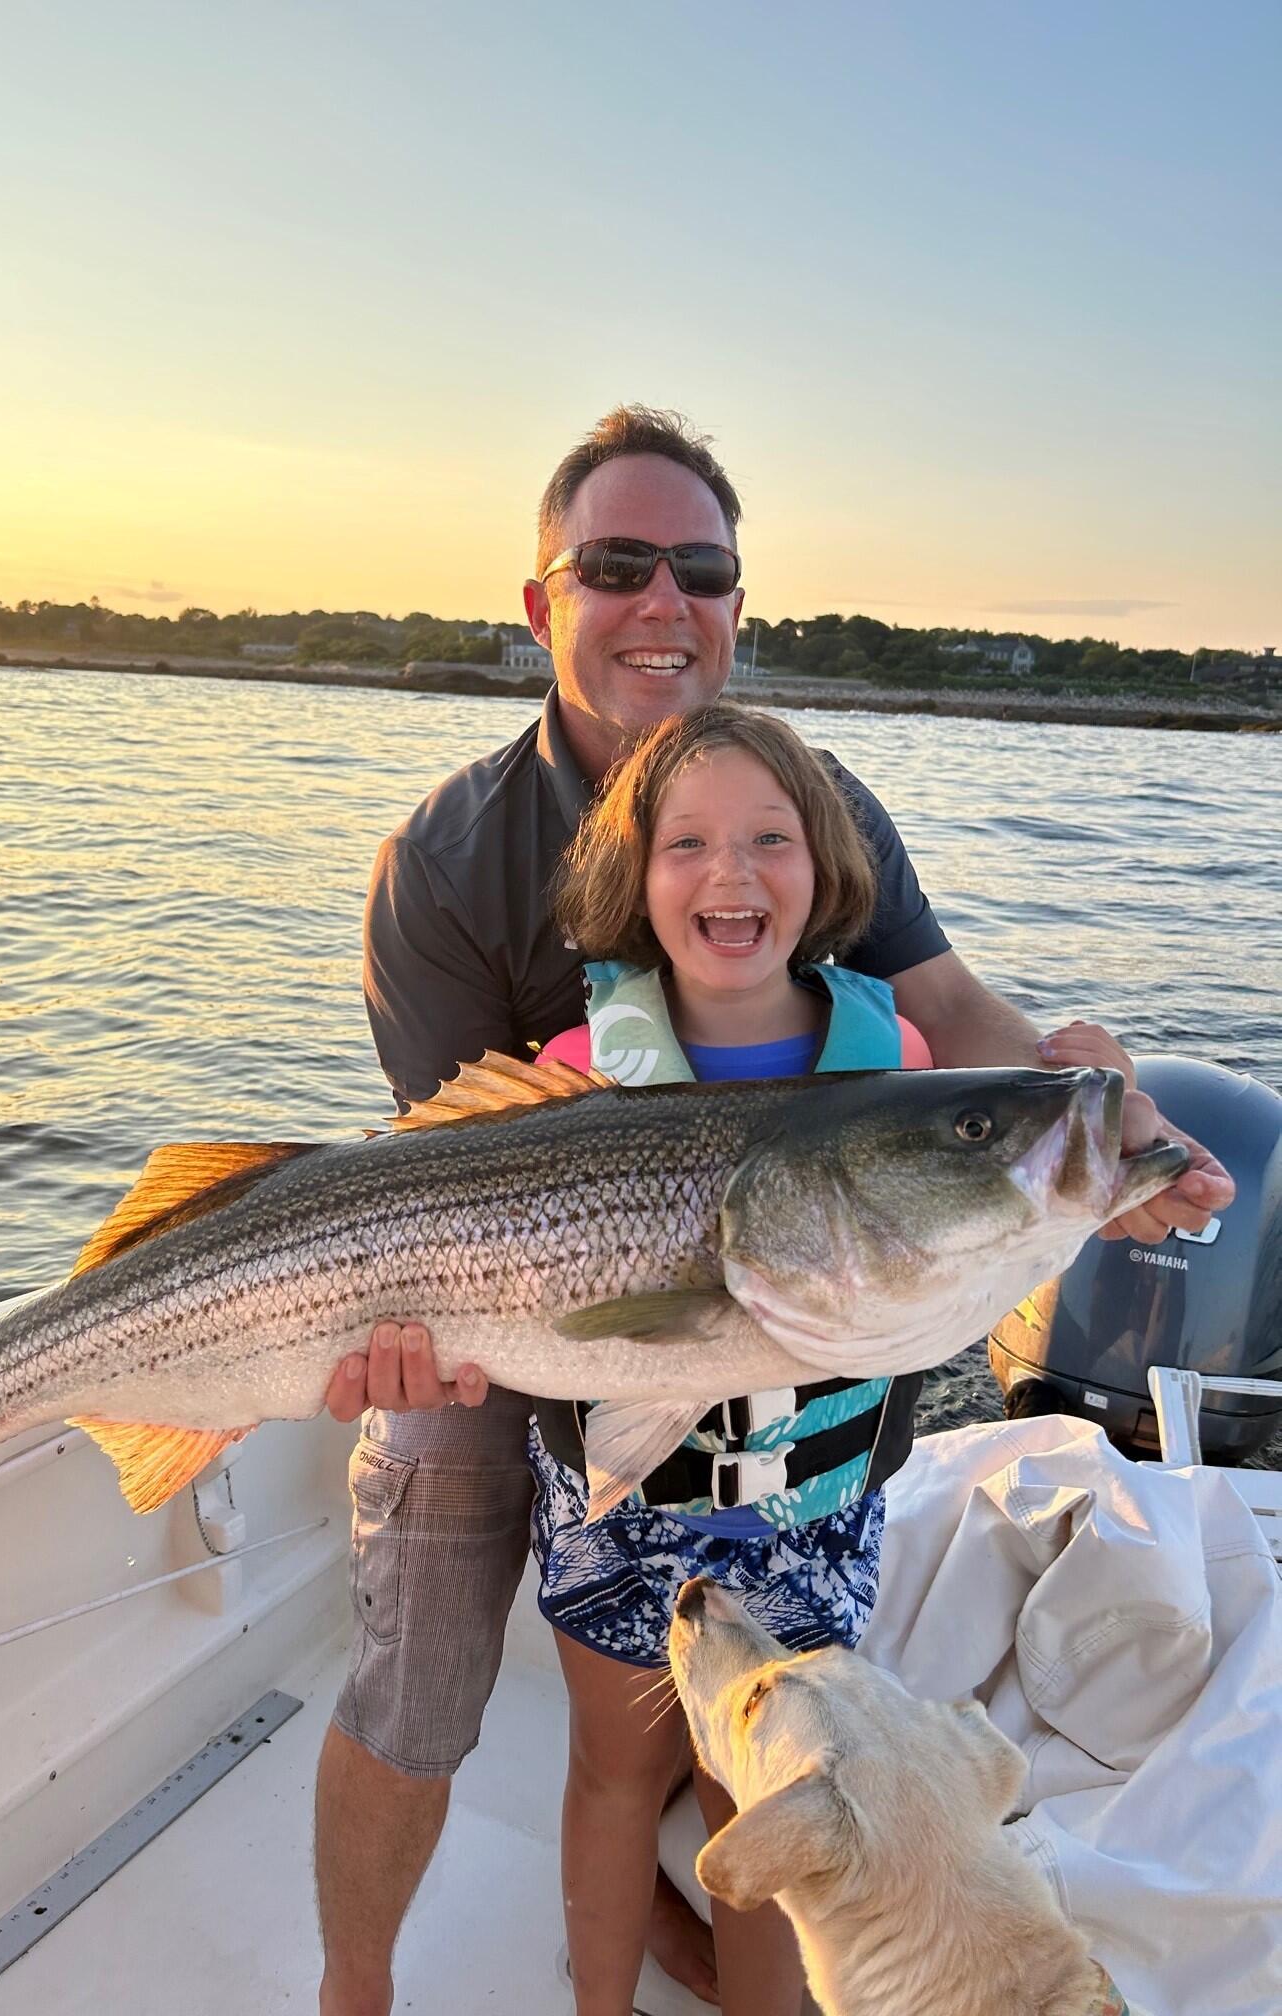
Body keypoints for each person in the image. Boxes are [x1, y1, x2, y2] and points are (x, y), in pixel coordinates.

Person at [313, 406, 1233, 2016]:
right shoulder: (446, 861)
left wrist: (1116, 1125)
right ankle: (355, 1989)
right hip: (487, 1300)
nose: (661, 599)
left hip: (785, 1335)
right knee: (419, 1666)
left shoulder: (823, 803)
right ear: (543, 603)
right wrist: (437, 1346)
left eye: (703, 568)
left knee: (761, 1745)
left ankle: (706, 1929)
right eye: (615, 564)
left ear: (739, 603)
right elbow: (430, 1182)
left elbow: (950, 1008)